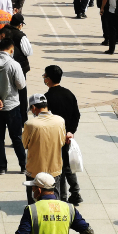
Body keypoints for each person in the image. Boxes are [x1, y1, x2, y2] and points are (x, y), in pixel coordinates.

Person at [0, 37, 28, 175]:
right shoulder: (14, 65)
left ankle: (2, 166)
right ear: (11, 49)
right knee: (17, 137)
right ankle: (23, 165)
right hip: (12, 106)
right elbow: (21, 85)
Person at [42, 66, 81, 205]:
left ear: (49, 79)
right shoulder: (69, 94)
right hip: (67, 137)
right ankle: (75, 192)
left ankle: (63, 196)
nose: (44, 78)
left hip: (55, 138)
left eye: (45, 76)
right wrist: (71, 131)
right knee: (67, 166)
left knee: (59, 168)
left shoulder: (47, 98)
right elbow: (76, 114)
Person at [22, 95, 66, 205]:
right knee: (55, 201)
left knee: (34, 203)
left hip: (34, 170)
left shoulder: (30, 124)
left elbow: (24, 144)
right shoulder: (60, 121)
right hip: (54, 168)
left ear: (33, 107)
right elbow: (62, 142)